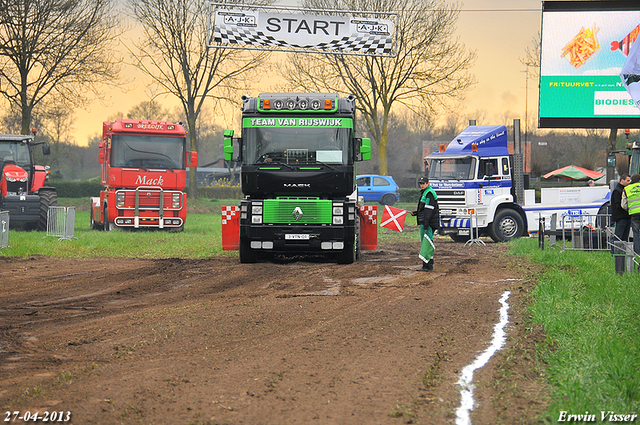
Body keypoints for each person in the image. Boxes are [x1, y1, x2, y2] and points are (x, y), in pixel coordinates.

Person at [411, 176, 439, 271]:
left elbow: (428, 211)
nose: (422, 185)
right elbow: (423, 209)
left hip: (428, 223)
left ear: (428, 183)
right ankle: (426, 265)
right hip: (426, 222)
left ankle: (428, 266)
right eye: (421, 184)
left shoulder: (429, 193)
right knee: (426, 243)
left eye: (423, 183)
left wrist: (426, 225)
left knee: (427, 243)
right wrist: (416, 213)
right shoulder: (426, 192)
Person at [611, 173, 631, 252]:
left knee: (624, 237)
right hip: (621, 217)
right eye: (627, 180)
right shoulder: (617, 191)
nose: (629, 182)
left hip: (626, 217)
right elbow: (618, 205)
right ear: (622, 180)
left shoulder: (623, 190)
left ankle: (622, 252)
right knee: (618, 236)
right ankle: (614, 252)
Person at [621, 173, 640, 255]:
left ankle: (637, 254)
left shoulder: (627, 189)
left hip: (634, 214)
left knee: (636, 234)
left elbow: (623, 205)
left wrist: (630, 209)